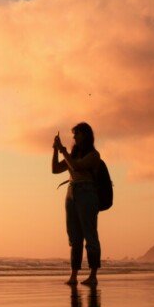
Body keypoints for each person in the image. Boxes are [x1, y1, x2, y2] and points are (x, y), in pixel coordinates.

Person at [52, 123, 101, 286]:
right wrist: (55, 149)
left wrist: (62, 150)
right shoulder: (73, 154)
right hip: (71, 194)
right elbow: (55, 169)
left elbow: (76, 166)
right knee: (74, 236)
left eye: (77, 134)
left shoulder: (94, 155)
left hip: (87, 193)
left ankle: (93, 275)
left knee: (89, 234)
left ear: (85, 135)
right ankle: (74, 275)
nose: (74, 137)